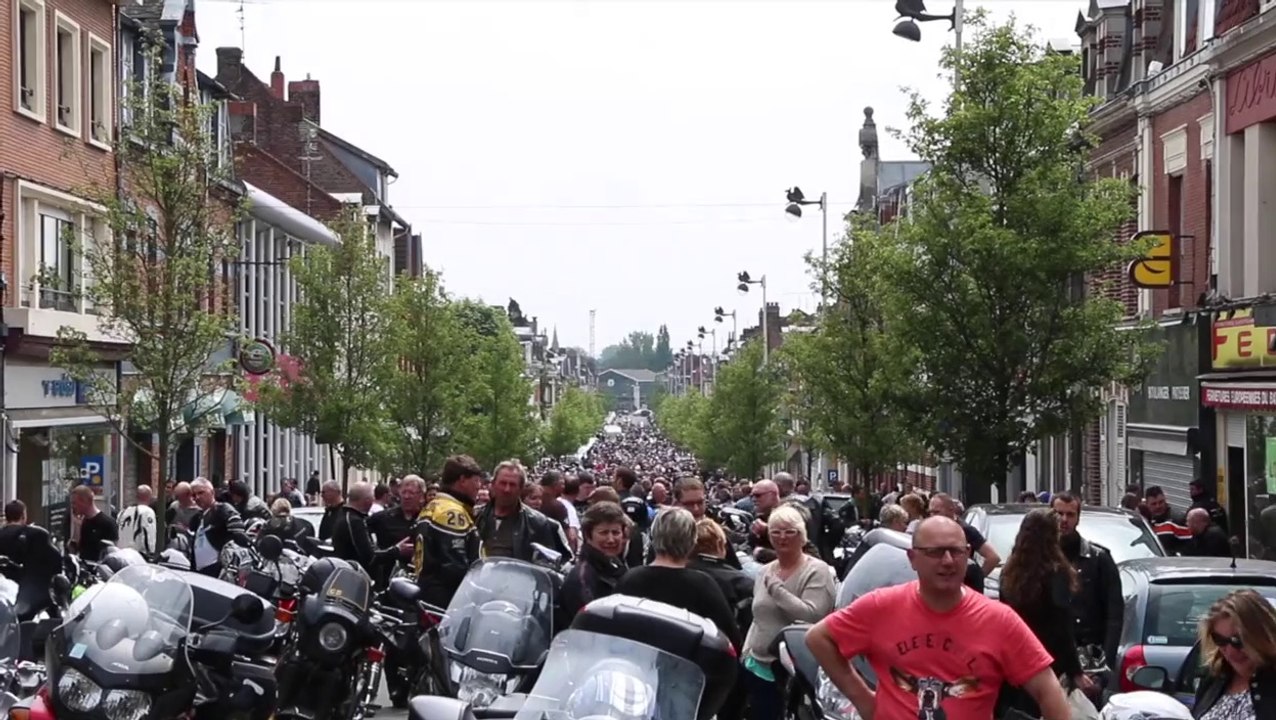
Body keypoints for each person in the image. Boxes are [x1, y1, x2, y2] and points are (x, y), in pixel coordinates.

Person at [805, 516, 1071, 720]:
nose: (947, 561)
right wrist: (863, 700)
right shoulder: (881, 607)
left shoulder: (998, 620)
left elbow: (1047, 689)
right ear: (912, 558)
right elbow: (819, 638)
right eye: (935, 552)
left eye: (956, 552)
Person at [741, 506, 836, 720]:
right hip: (757, 667)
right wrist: (746, 653)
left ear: (801, 535)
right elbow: (758, 616)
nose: (782, 537)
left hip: (794, 674)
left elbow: (812, 616)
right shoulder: (765, 570)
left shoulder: (816, 571)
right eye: (775, 531)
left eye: (789, 531)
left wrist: (777, 590)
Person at [997, 508, 1089, 717]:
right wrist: (1076, 671)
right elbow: (1062, 624)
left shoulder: (1009, 571)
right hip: (1046, 660)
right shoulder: (1056, 572)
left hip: (1015, 657)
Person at [615, 507, 743, 650]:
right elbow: (730, 640)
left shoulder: (629, 579)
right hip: (687, 667)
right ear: (692, 541)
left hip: (638, 664)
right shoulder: (702, 585)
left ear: (653, 536)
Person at [1051, 491, 1122, 695]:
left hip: (1090, 658)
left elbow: (1114, 614)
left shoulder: (1099, 559)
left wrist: (1105, 662)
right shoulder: (1041, 559)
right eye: (1059, 514)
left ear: (1078, 518)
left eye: (1070, 515)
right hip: (1051, 657)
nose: (1064, 520)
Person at [413, 455, 484, 609]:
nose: (479, 486)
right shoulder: (452, 513)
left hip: (428, 597)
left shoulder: (434, 506)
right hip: (448, 604)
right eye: (476, 480)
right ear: (462, 480)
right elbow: (455, 568)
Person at [1193, 588, 1276, 719]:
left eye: (1237, 640)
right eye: (1220, 640)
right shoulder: (1213, 679)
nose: (1230, 651)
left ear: (1263, 636)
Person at [475, 461, 562, 562]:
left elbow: (547, 562)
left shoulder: (537, 523)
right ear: (493, 485)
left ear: (521, 488)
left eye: (512, 485)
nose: (507, 489)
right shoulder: (476, 517)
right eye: (503, 483)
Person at [560, 501, 628, 618]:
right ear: (587, 535)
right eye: (604, 533)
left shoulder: (616, 565)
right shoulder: (583, 577)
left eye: (616, 532)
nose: (611, 539)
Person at [332, 481, 412, 572]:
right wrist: (397, 550)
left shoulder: (345, 515)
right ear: (367, 500)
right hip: (356, 577)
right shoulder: (354, 522)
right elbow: (369, 557)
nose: (373, 501)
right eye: (372, 497)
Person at [188, 478, 248, 577]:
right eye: (194, 495)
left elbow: (240, 537)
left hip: (219, 573)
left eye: (201, 493)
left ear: (212, 492)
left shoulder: (223, 510)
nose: (197, 497)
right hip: (199, 573)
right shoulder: (197, 518)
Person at [70, 486, 118, 562]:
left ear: (84, 501)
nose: (73, 507)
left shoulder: (107, 523)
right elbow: (75, 549)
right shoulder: (82, 521)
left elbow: (114, 552)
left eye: (74, 503)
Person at [1144, 485, 1191, 554]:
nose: (1158, 506)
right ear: (1147, 504)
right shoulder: (1145, 521)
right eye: (1153, 504)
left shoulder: (1177, 520)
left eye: (1161, 502)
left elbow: (1188, 547)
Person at [116, 485, 158, 556]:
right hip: (137, 555)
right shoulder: (147, 512)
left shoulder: (123, 512)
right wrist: (151, 552)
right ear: (149, 497)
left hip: (121, 553)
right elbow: (148, 533)